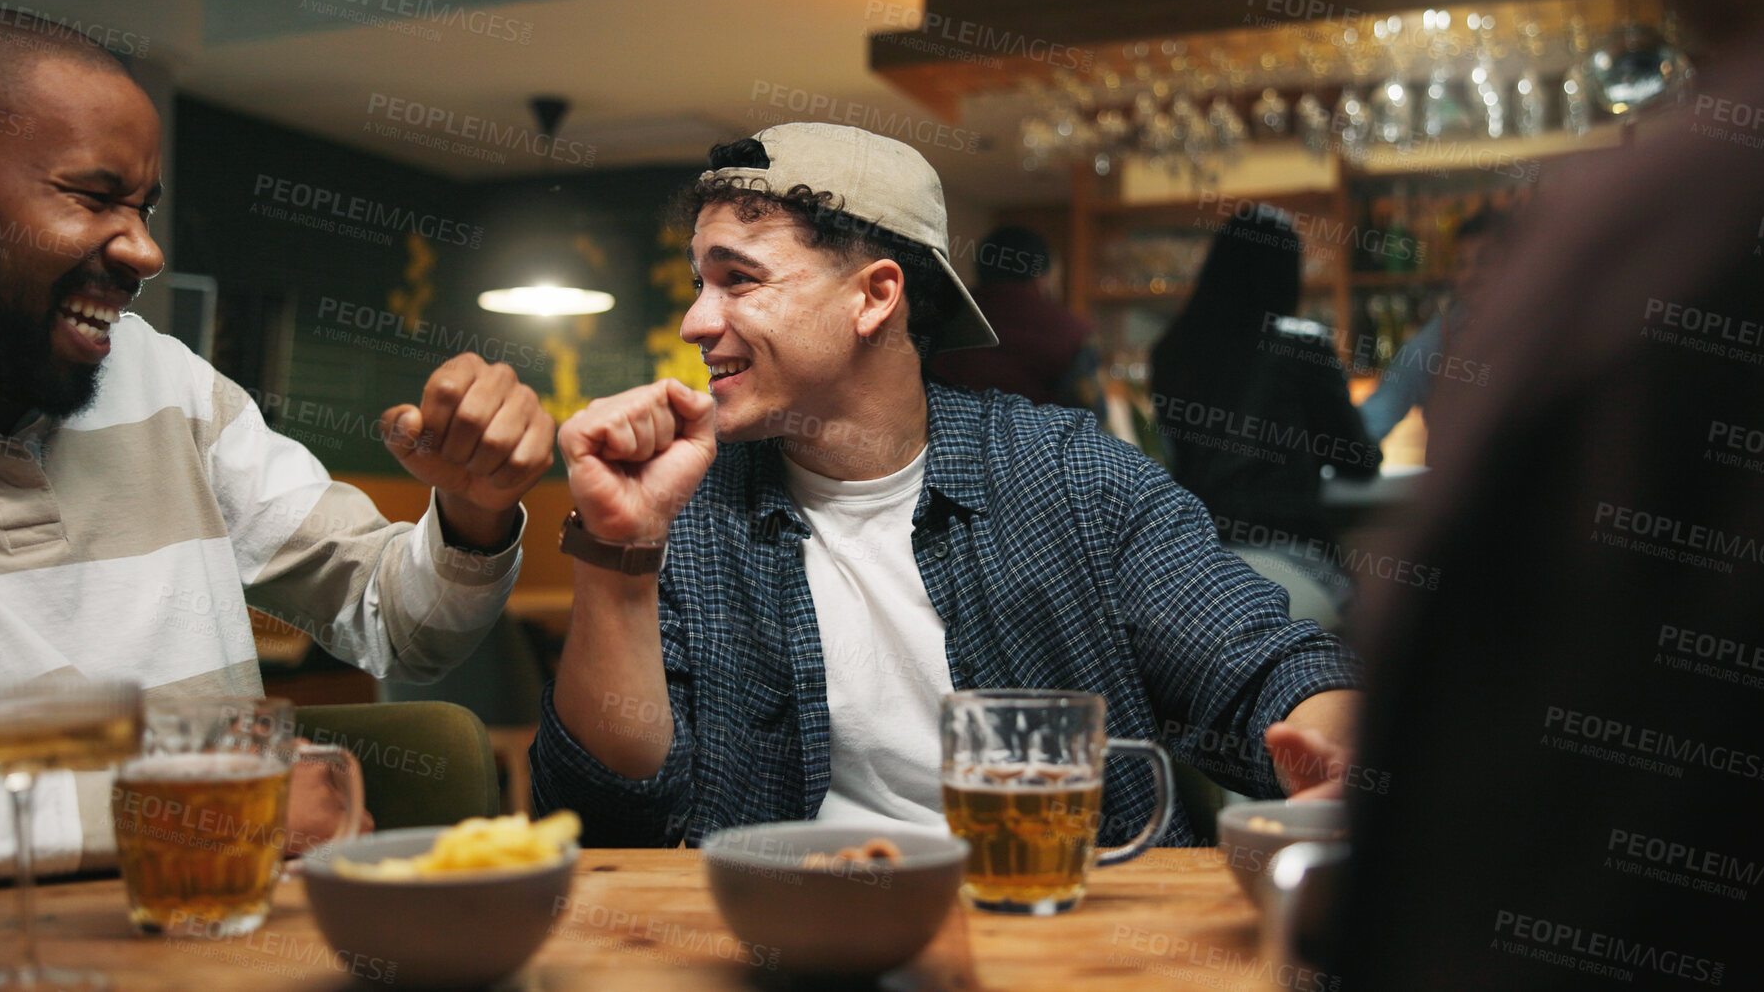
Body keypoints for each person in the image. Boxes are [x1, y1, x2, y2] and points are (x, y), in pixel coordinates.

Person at [530, 123, 1361, 848]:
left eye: (737, 279)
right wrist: (618, 549)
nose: (695, 322)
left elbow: (1254, 663)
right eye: (696, 285)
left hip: (1060, 937)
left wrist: (1331, 740)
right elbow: (607, 815)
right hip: (792, 942)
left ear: (875, 296)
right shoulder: (693, 510)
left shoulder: (1069, 477)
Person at [0, 10, 556, 880]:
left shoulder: (165, 381)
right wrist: (211, 809)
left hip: (235, 938)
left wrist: (475, 511)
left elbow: (395, 622)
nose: (144, 249)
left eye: (143, 208)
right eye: (94, 197)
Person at [1334, 0, 1764, 987]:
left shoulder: (1649, 247)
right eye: (1474, 270)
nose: (1485, 280)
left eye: (1494, 264)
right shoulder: (1465, 327)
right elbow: (1371, 429)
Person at [1149, 211, 1380, 610]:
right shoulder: (1302, 347)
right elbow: (1358, 460)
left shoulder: (1171, 351)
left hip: (1199, 564)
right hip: (1292, 556)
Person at [1356, 207, 1503, 442]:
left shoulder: (1545, 333)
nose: (1471, 274)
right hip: (1457, 478)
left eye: (1485, 261)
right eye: (1462, 264)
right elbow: (1375, 418)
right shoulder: (1434, 343)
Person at [932, 225, 1103, 417]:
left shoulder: (939, 317)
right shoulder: (1071, 332)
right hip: (1039, 443)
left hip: (945, 438)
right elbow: (1091, 414)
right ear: (1040, 276)